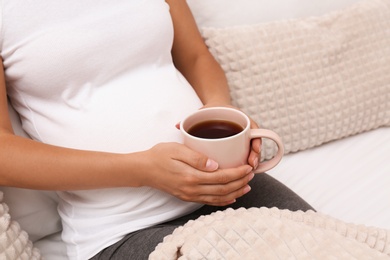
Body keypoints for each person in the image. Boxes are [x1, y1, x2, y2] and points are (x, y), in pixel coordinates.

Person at [0, 0, 313, 259]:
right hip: (122, 229)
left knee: (332, 245)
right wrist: (143, 170)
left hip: (226, 189)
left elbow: (195, 55)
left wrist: (222, 111)